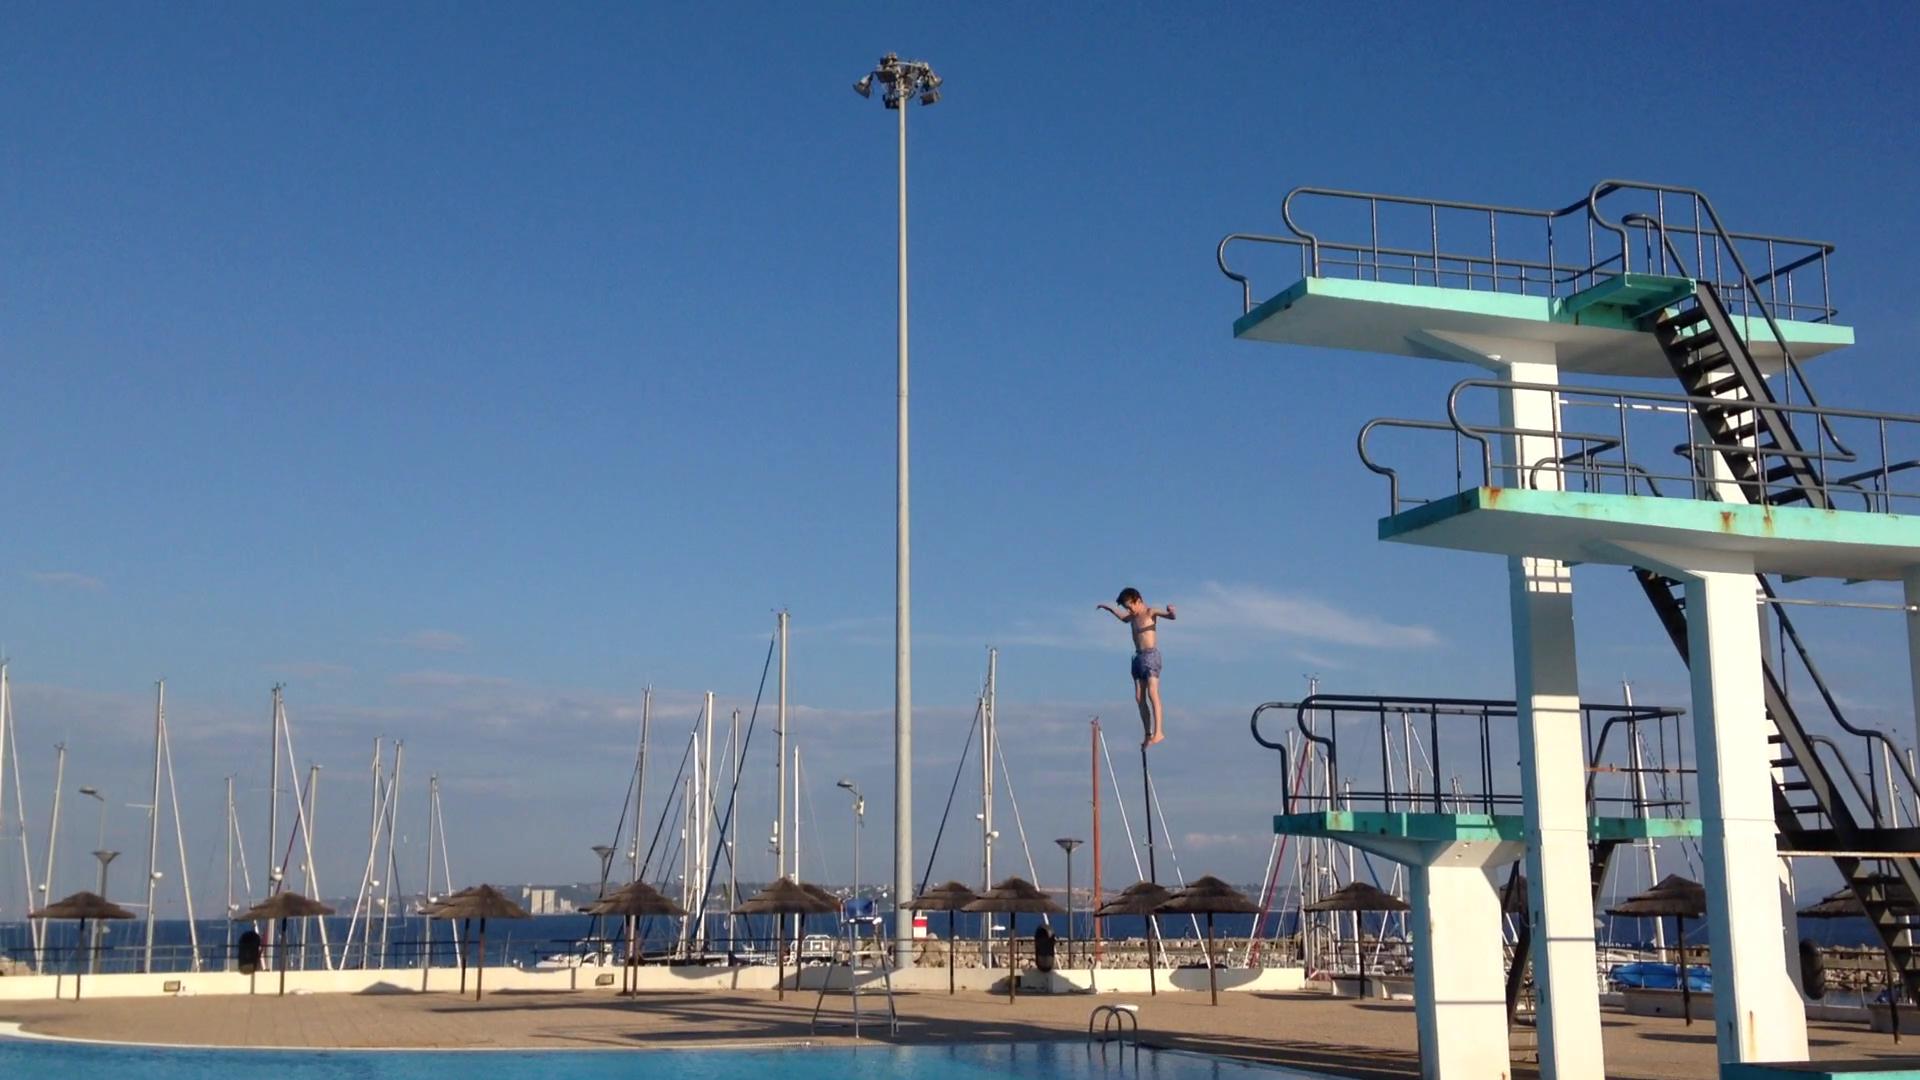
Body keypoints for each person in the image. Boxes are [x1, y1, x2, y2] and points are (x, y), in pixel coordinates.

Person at [1096, 587, 1176, 747]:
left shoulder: (1150, 612)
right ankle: (1148, 734)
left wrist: (1171, 612)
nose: (1129, 610)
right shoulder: (1132, 618)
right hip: (1138, 658)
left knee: (1152, 692)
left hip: (1151, 655)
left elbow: (1170, 617)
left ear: (1138, 600)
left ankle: (1159, 732)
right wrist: (1109, 608)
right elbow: (1122, 618)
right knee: (1139, 697)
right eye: (1126, 608)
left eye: (1130, 606)